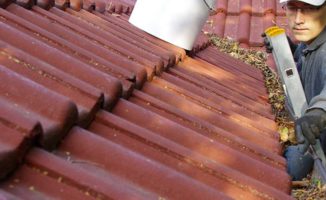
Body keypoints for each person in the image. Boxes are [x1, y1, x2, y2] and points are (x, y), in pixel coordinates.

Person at [267, 0, 326, 180]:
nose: (298, 19)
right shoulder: (309, 43)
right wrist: (289, 52)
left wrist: (320, 110)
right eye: (293, 8)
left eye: (310, 8)